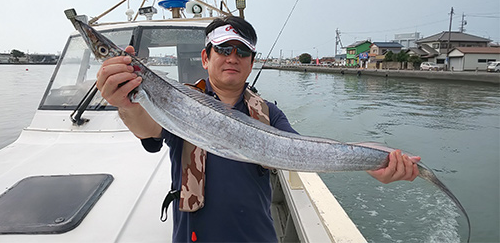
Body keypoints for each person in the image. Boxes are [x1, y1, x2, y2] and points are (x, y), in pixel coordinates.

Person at [96, 16, 420, 242]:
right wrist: (127, 102)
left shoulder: (269, 114)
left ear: (252, 62)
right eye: (223, 49)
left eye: (242, 51)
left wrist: (373, 161)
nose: (232, 57)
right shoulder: (179, 102)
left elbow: (301, 154)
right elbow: (149, 131)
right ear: (205, 58)